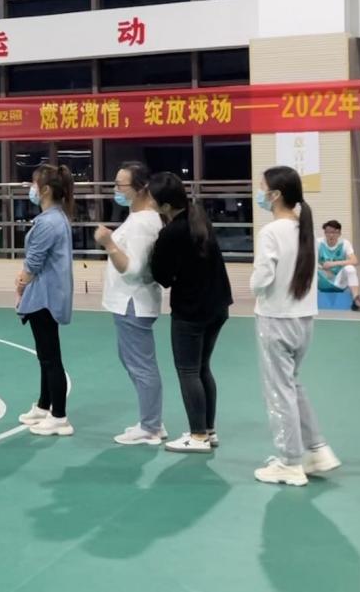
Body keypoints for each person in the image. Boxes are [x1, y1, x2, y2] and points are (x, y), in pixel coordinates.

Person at [250, 166, 340, 486]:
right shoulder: (306, 231)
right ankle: (317, 448)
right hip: (303, 320)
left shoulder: (271, 232)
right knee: (291, 385)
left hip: (276, 319)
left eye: (262, 187)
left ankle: (290, 462)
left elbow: (263, 277)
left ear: (275, 195)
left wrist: (253, 285)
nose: (259, 193)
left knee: (279, 391)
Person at [147, 172, 232, 454]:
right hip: (217, 305)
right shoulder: (199, 217)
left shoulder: (171, 232)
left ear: (165, 205)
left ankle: (197, 436)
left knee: (188, 371)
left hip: (192, 311)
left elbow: (162, 276)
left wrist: (154, 252)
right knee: (203, 367)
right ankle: (208, 429)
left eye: (153, 199)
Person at [94, 161, 167, 446]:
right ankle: (151, 420)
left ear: (140, 188)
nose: (116, 189)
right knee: (132, 361)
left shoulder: (142, 223)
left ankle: (151, 425)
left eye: (120, 185)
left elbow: (133, 268)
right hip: (128, 302)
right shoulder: (138, 219)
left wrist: (108, 243)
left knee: (141, 364)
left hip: (133, 301)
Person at [15, 164, 77, 437]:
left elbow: (34, 262)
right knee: (44, 356)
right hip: (46, 294)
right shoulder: (57, 218)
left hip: (45, 297)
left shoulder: (48, 223)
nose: (30, 188)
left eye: (33, 184)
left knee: (51, 358)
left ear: (46, 190)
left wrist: (21, 283)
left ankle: (59, 415)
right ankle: (44, 405)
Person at [318, 219, 360, 312]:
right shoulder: (318, 243)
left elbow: (354, 260)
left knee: (350, 268)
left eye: (334, 232)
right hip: (323, 279)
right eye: (328, 232)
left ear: (339, 233)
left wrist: (333, 264)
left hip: (339, 280)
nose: (331, 235)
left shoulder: (344, 243)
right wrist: (322, 269)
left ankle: (355, 300)